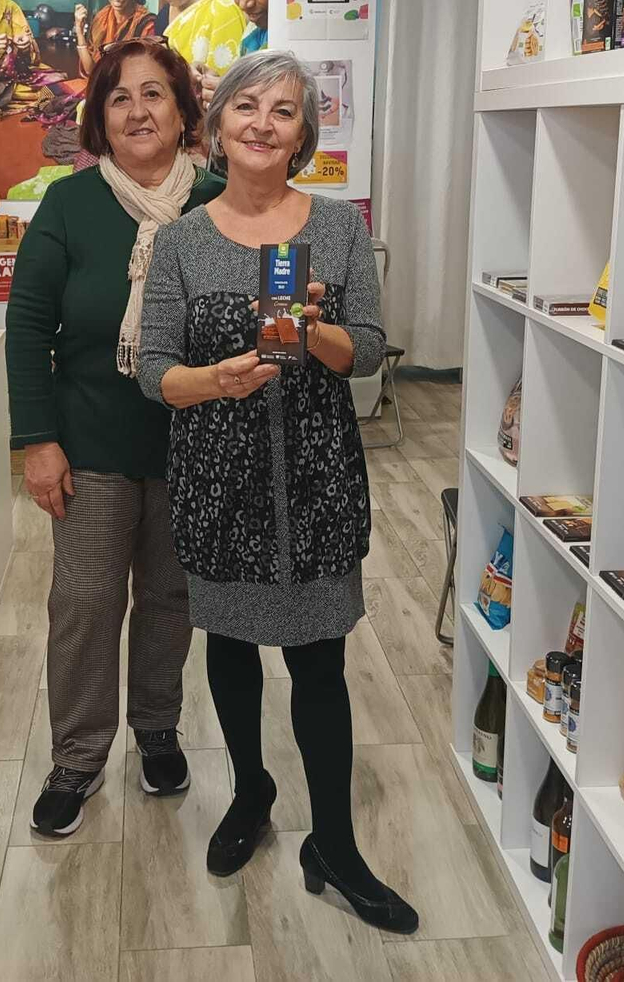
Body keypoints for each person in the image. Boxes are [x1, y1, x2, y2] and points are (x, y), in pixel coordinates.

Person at [137, 51, 417, 935]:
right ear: (216, 126)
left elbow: (369, 350)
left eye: (285, 111)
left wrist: (322, 326)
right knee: (228, 644)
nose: (263, 122)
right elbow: (152, 372)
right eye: (247, 106)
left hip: (319, 475)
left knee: (320, 660)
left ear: (304, 135)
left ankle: (333, 841)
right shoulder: (180, 237)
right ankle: (252, 788)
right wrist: (215, 380)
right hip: (218, 477)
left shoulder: (334, 228)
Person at [6, 39, 225, 837]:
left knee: (171, 598)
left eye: (155, 94)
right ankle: (78, 754)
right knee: (87, 600)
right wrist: (37, 439)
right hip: (90, 439)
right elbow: (28, 325)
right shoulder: (69, 205)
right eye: (120, 97)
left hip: (194, 445)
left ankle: (157, 728)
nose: (138, 111)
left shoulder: (218, 200)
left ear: (182, 112)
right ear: (99, 116)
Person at [75, 0, 157, 77]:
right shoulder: (101, 18)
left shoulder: (146, 24)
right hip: (99, 83)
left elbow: (145, 73)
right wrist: (79, 31)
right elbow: (90, 70)